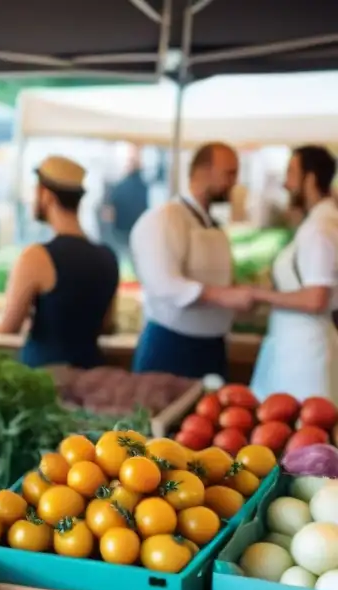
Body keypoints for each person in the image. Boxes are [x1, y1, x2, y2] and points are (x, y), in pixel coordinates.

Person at [129, 142, 252, 379]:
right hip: (170, 348)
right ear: (203, 172)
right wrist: (225, 296)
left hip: (213, 348)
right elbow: (163, 284)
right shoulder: (164, 218)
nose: (234, 183)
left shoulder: (214, 226)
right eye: (229, 173)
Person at [0, 156, 119, 369]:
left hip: (45, 378)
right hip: (92, 375)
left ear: (47, 196)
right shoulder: (107, 257)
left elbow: (9, 327)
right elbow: (107, 325)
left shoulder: (36, 257)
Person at [250, 146, 338, 402]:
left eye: (291, 172)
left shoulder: (319, 230)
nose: (285, 183)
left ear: (310, 179)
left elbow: (315, 298)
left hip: (306, 355)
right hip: (297, 347)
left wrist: (259, 294)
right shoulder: (318, 223)